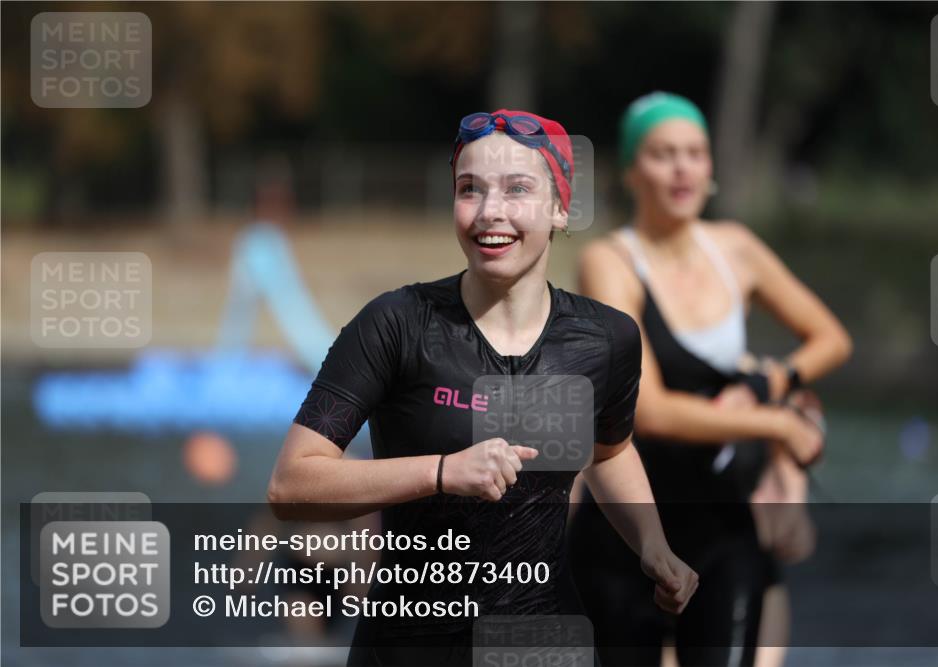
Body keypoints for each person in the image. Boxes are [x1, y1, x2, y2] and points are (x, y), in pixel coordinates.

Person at [267, 109, 699, 667]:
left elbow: (609, 451)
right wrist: (442, 472)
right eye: (470, 190)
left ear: (561, 207)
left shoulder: (605, 340)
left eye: (518, 190)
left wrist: (653, 546)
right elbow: (289, 485)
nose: (490, 212)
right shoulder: (399, 324)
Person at [569, 92, 852, 667]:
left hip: (722, 521)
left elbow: (831, 338)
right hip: (631, 524)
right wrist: (775, 421)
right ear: (630, 171)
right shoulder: (610, 262)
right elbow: (650, 410)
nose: (682, 168)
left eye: (695, 153)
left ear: (711, 169)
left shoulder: (738, 250)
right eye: (663, 154)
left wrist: (766, 385)